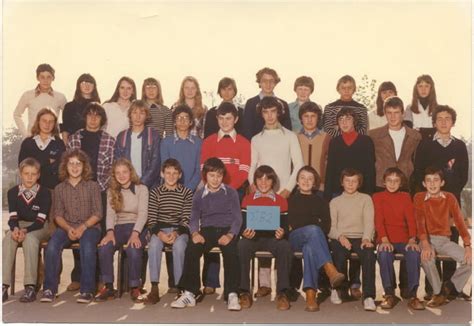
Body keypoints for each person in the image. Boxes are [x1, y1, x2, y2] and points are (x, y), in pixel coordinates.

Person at [248, 96, 304, 297]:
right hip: (262, 192)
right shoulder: (256, 139)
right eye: (265, 112)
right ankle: (264, 284)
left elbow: (298, 164)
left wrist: (288, 188)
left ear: (279, 112)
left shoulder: (290, 136)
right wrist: (254, 186)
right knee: (262, 234)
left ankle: (284, 285)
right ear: (261, 114)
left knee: (280, 238)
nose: (269, 116)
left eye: (273, 111)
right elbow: (253, 165)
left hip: (283, 193)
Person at [413, 105, 469, 300]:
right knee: (430, 242)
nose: (444, 122)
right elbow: (419, 170)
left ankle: (451, 286)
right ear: (434, 122)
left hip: (450, 200)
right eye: (440, 118)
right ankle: (433, 289)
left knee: (451, 239)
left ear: (452, 122)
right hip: (429, 200)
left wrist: (448, 194)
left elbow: (463, 176)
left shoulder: (459, 146)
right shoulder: (426, 145)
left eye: (447, 118)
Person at [171, 158, 242, 311]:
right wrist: (195, 233)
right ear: (205, 176)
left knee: (231, 251)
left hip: (225, 230)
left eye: (219, 175)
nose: (215, 179)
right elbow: (194, 218)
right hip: (207, 230)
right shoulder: (199, 194)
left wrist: (230, 235)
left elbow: (237, 218)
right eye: (212, 175)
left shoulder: (231, 192)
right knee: (192, 248)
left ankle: (232, 294)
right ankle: (190, 292)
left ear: (223, 176)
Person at [200, 102, 250, 294]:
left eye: (229, 118)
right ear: (217, 119)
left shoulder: (244, 143)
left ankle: (233, 284)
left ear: (235, 119)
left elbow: (244, 171)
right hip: (211, 192)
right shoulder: (209, 141)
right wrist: (215, 189)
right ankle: (211, 282)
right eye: (221, 118)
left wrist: (227, 191)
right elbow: (204, 169)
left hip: (234, 193)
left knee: (231, 238)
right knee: (211, 231)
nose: (225, 122)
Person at [40, 149, 102, 304]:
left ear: (84, 166)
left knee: (87, 246)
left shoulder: (93, 186)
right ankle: (49, 289)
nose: (75, 167)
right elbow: (58, 215)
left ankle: (87, 290)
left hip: (90, 227)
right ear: (65, 166)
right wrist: (68, 229)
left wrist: (82, 227)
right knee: (52, 246)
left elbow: (98, 213)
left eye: (78, 164)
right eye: (71, 164)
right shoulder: (59, 189)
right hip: (66, 226)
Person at [67, 102, 115, 291]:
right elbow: (67, 164)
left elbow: (112, 168)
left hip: (101, 190)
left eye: (97, 115)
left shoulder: (109, 140)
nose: (93, 118)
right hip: (77, 190)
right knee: (77, 231)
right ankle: (78, 276)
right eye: (90, 115)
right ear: (85, 117)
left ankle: (101, 277)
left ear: (102, 120)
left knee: (99, 235)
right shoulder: (74, 139)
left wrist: (99, 188)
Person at [287, 166, 345, 312]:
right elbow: (292, 224)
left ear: (314, 183)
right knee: (313, 229)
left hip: (313, 240)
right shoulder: (290, 201)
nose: (306, 181)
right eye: (302, 178)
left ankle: (311, 295)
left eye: (310, 178)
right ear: (297, 182)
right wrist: (312, 223)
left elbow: (326, 226)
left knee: (310, 247)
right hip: (295, 239)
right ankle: (329, 269)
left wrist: (309, 225)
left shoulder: (321, 201)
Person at [414, 167, 471, 307]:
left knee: (470, 260)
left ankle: (448, 287)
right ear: (423, 183)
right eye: (428, 180)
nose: (432, 184)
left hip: (445, 240)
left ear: (442, 182)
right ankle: (438, 293)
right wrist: (425, 244)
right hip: (427, 239)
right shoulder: (419, 197)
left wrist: (468, 245)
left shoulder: (450, 198)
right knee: (427, 257)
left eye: (436, 180)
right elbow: (419, 223)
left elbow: (459, 222)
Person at [238, 165, 292, 311]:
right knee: (242, 245)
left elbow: (285, 227)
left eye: (267, 179)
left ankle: (282, 293)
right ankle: (243, 292)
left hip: (273, 239)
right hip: (253, 238)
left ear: (273, 182)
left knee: (285, 246)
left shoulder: (281, 200)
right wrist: (244, 233)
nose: (263, 183)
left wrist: (282, 233)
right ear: (254, 181)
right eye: (260, 179)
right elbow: (242, 225)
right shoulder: (247, 199)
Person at [95, 159, 148, 302]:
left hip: (137, 226)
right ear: (114, 175)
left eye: (125, 172)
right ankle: (108, 286)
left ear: (131, 172)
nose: (122, 175)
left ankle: (135, 287)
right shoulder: (111, 191)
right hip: (118, 227)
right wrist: (110, 232)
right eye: (118, 173)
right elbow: (111, 214)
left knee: (133, 248)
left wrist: (136, 234)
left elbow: (143, 214)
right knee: (104, 247)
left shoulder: (141, 189)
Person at [374, 167, 424, 310]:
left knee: (414, 253)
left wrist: (412, 239)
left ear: (401, 183)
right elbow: (378, 220)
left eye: (396, 181)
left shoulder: (405, 197)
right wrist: (383, 239)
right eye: (389, 180)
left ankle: (413, 294)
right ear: (384, 182)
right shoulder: (377, 197)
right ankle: (389, 294)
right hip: (385, 238)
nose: (392, 183)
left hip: (404, 239)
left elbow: (411, 221)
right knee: (383, 254)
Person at [145, 159, 193, 304]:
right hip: (159, 230)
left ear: (180, 175)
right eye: (168, 173)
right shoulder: (155, 192)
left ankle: (180, 288)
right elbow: (152, 219)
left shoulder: (186, 192)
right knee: (153, 246)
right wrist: (160, 234)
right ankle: (154, 287)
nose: (171, 176)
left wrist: (177, 233)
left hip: (179, 230)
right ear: (162, 174)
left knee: (179, 246)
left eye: (175, 173)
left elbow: (186, 218)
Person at [3, 158, 51, 303]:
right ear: (20, 174)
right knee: (8, 238)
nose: (29, 177)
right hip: (21, 225)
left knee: (30, 239)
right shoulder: (12, 192)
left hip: (39, 226)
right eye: (26, 173)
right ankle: (3, 285)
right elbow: (12, 218)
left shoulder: (44, 192)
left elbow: (40, 220)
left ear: (38, 175)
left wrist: (25, 230)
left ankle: (30, 287)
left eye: (33, 174)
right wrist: (15, 229)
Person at [328, 168, 376, 311]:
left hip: (360, 237)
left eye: (354, 181)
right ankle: (337, 289)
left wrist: (367, 238)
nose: (350, 184)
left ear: (359, 183)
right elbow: (331, 227)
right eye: (347, 181)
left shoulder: (366, 199)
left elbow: (369, 222)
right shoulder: (335, 201)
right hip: (340, 236)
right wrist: (340, 237)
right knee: (339, 253)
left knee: (368, 255)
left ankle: (368, 296)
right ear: (342, 183)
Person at [369, 96, 421, 192]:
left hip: (406, 184)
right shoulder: (373, 135)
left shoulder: (415, 136)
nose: (392, 117)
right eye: (389, 113)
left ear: (403, 114)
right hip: (381, 184)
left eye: (396, 112)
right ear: (385, 114)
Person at [324, 107, 375, 199]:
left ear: (354, 121)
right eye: (341, 119)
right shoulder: (334, 142)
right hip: (338, 192)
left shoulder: (366, 141)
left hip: (361, 192)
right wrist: (327, 196)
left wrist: (369, 194)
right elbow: (330, 170)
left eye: (348, 118)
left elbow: (370, 170)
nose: (344, 122)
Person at [114, 100, 161, 189]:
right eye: (134, 112)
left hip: (148, 187)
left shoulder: (153, 135)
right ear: (130, 115)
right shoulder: (122, 136)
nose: (138, 116)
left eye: (142, 113)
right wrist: (128, 183)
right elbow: (118, 162)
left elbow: (155, 164)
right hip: (126, 185)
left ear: (146, 116)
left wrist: (141, 184)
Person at [14, 63, 67, 138]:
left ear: (53, 78)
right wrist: (25, 134)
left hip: (53, 140)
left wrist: (60, 132)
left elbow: (68, 118)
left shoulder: (60, 97)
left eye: (48, 77)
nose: (45, 80)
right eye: (42, 77)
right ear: (37, 78)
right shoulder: (28, 95)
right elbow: (17, 114)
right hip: (32, 138)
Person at [18, 108, 66, 190]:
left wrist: (35, 161)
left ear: (55, 124)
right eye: (44, 120)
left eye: (51, 121)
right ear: (38, 121)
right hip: (31, 189)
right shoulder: (27, 143)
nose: (47, 124)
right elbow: (22, 167)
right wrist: (47, 160)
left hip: (53, 190)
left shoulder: (59, 143)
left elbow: (61, 169)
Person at [160, 105, 202, 192]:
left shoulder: (198, 143)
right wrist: (176, 189)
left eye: (186, 118)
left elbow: (199, 170)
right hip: (170, 189)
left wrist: (187, 190)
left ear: (191, 122)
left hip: (192, 190)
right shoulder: (166, 143)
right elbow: (166, 169)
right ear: (174, 122)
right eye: (179, 118)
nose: (182, 121)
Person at [242, 67, 292, 140]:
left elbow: (287, 129)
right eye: (264, 81)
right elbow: (247, 129)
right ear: (259, 83)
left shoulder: (283, 104)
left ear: (275, 83)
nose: (268, 84)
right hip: (257, 145)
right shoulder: (251, 103)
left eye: (271, 81)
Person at [296, 101, 330, 191]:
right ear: (301, 118)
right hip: (298, 187)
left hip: (320, 188)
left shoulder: (327, 137)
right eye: (306, 116)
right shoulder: (294, 137)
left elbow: (330, 164)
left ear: (318, 118)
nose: (309, 120)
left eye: (313, 116)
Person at [61, 73, 101, 144]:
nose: (87, 85)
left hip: (94, 144)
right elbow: (65, 130)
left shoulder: (99, 107)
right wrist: (67, 148)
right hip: (74, 144)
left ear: (94, 86)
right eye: (84, 82)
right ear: (78, 85)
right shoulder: (69, 106)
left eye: (90, 83)